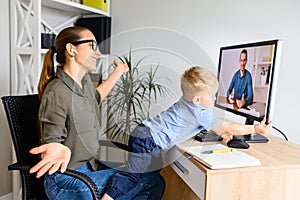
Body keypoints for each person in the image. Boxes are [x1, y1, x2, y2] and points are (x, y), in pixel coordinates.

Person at [29, 26, 165, 200]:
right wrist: (60, 149)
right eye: (92, 45)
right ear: (72, 49)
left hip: (89, 167)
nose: (98, 53)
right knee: (152, 181)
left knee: (143, 173)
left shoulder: (83, 82)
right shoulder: (57, 92)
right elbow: (50, 144)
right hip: (65, 180)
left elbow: (96, 97)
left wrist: (118, 72)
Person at [105, 66, 272, 198]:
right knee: (132, 176)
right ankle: (108, 197)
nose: (214, 99)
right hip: (149, 141)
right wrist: (255, 129)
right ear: (198, 100)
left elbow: (204, 127)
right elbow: (226, 127)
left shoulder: (186, 101)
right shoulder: (200, 112)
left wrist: (221, 133)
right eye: (212, 96)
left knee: (151, 174)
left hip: (144, 132)